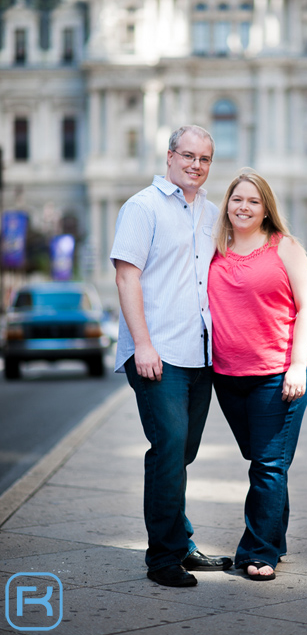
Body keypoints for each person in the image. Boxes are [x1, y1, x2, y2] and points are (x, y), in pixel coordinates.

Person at [111, 125, 233, 587]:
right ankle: (163, 558)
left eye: (204, 158)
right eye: (188, 155)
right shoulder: (143, 207)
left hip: (200, 354)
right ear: (169, 156)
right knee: (167, 453)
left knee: (182, 452)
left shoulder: (209, 212)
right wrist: (142, 344)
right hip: (157, 354)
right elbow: (127, 277)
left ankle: (179, 542)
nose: (196, 165)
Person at [207, 170, 307, 582]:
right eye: (237, 199)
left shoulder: (285, 247)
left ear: (266, 207)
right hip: (228, 376)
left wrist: (295, 365)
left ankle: (258, 551)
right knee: (265, 462)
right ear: (227, 204)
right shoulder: (215, 248)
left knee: (268, 466)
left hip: (278, 374)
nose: (244, 207)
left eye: (253, 201)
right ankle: (277, 538)